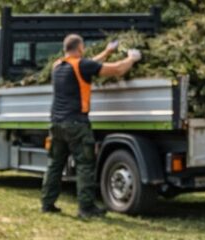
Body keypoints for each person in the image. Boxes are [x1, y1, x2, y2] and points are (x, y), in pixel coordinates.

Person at [40, 34, 142, 219]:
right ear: (80, 48)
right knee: (85, 165)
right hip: (76, 124)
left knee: (55, 165)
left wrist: (107, 51)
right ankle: (86, 208)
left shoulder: (58, 66)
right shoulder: (82, 65)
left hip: (56, 123)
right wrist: (131, 58)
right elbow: (118, 70)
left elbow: (88, 64)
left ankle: (47, 203)